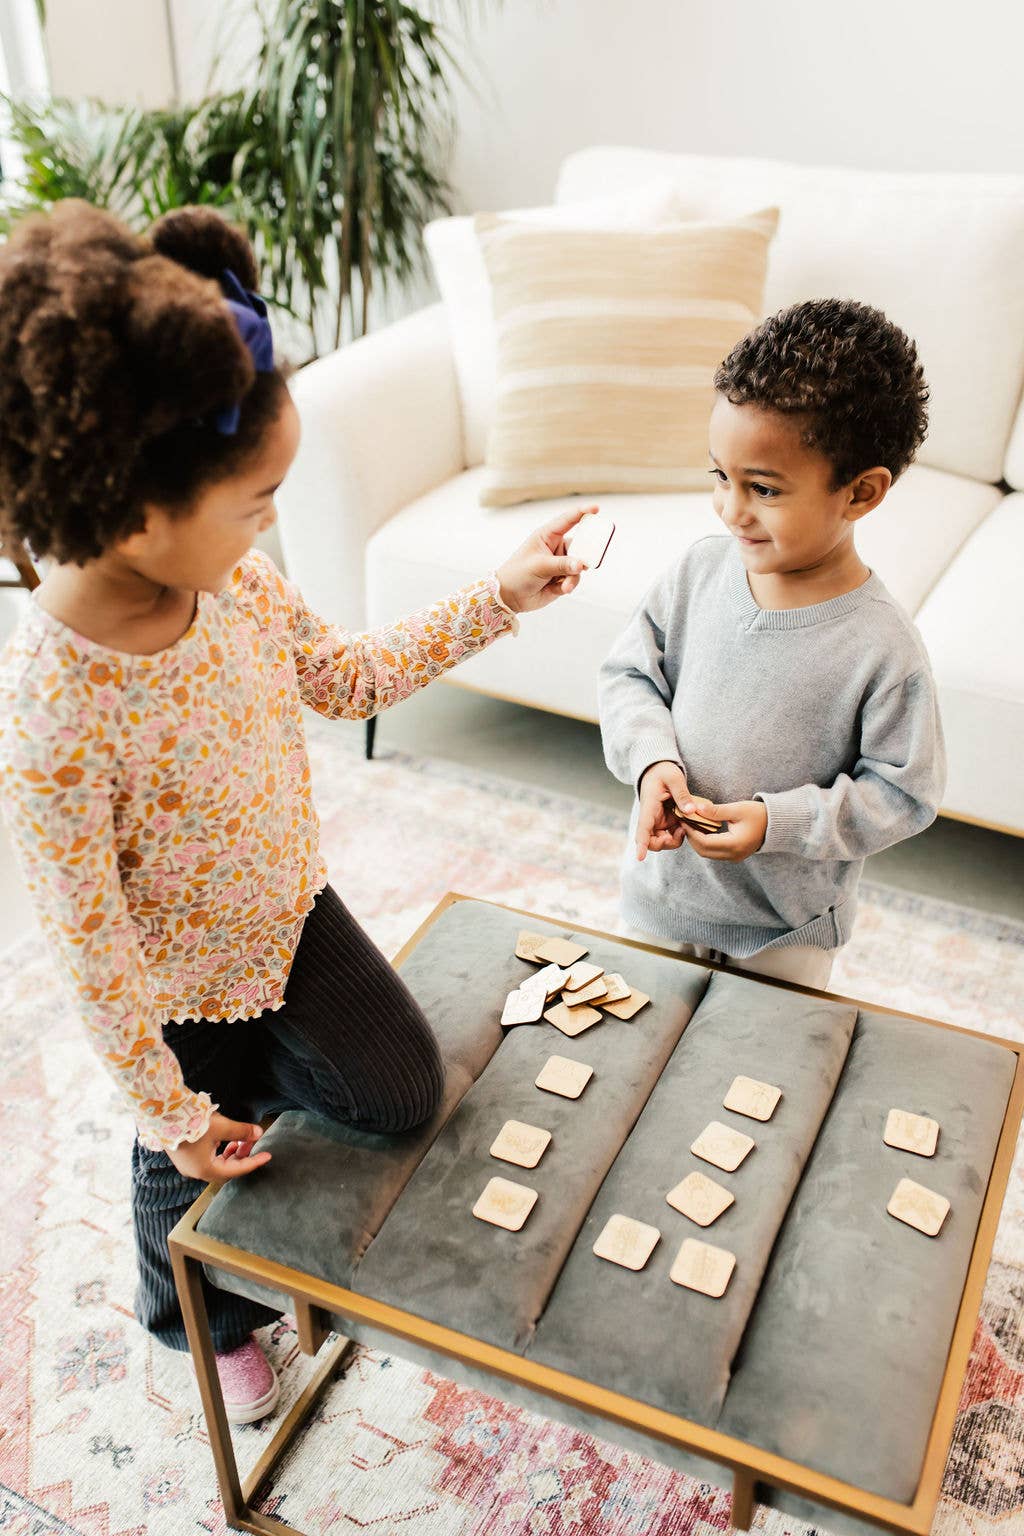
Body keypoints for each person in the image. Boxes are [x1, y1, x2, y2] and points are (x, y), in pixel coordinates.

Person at [0, 201, 589, 1422]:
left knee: (404, 1097)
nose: (273, 520)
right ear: (136, 515)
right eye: (257, 499)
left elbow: (349, 681)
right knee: (186, 1174)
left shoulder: (240, 587)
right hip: (174, 994)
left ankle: (259, 1084)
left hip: (288, 913)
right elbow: (92, 947)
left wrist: (499, 596)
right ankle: (191, 1321)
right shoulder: (52, 709)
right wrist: (167, 1110)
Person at [599, 298, 945, 992]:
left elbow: (904, 794)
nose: (731, 509)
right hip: (659, 900)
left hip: (784, 938)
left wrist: (775, 823)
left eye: (762, 488)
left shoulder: (882, 648)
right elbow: (629, 675)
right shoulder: (700, 572)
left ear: (862, 492)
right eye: (719, 477)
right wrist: (651, 763)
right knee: (628, 1056)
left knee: (755, 1084)